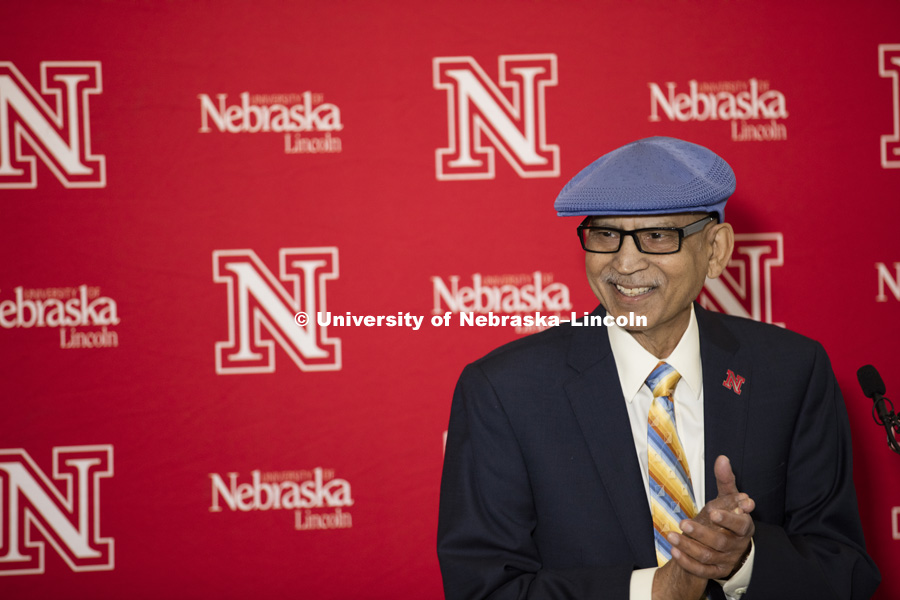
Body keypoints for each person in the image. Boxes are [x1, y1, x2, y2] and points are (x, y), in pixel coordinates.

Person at [437, 137, 880, 600]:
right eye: (605, 235)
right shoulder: (505, 391)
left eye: (658, 236)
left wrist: (742, 562)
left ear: (715, 250)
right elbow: (483, 589)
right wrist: (657, 589)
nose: (625, 263)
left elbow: (843, 568)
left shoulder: (790, 371)